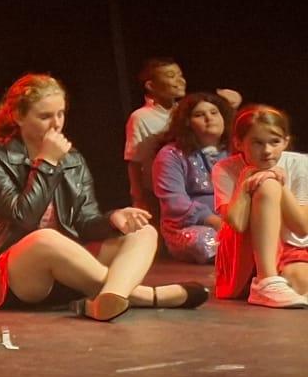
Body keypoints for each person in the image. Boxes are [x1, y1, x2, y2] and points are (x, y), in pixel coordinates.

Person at [0, 74, 203, 321]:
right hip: (13, 273)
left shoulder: (72, 158)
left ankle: (108, 300)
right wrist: (47, 162)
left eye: (61, 114)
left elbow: (85, 222)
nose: (56, 124)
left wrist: (114, 219)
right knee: (45, 238)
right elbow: (24, 217)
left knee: (143, 231)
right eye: (44, 116)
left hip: (69, 268)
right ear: (19, 116)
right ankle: (147, 296)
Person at [212, 105, 308, 308]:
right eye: (257, 143)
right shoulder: (225, 168)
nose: (267, 151)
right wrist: (247, 178)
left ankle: (271, 281)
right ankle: (266, 279)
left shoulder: (301, 164)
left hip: (290, 245)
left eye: (275, 142)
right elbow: (236, 223)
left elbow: (302, 228)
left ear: (286, 141)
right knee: (267, 185)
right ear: (239, 143)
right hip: (244, 245)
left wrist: (281, 185)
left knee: (301, 284)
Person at [123, 58, 242, 212]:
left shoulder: (186, 110)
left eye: (180, 75)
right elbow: (135, 162)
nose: (180, 80)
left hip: (191, 185)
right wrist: (138, 198)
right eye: (171, 76)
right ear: (151, 85)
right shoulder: (141, 117)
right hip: (158, 192)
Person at [150, 93, 231, 264]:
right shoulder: (170, 155)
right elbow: (174, 202)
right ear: (187, 123)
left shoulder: (236, 150)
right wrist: (216, 222)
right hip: (189, 227)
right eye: (199, 115)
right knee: (207, 242)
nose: (209, 118)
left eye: (214, 112)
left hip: (234, 220)